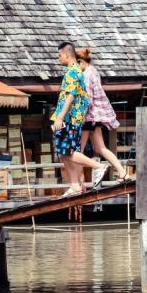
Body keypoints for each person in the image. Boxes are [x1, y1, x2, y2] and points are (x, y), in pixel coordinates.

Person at [51, 41, 108, 196]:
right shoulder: (74, 71)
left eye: (59, 55)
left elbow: (71, 95)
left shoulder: (72, 72)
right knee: (63, 153)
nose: (59, 59)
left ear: (66, 54)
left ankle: (98, 166)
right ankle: (75, 185)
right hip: (70, 118)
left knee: (69, 151)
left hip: (69, 118)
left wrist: (60, 117)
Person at [76, 47, 131, 185]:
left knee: (77, 152)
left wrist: (79, 117)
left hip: (87, 117)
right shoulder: (94, 71)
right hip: (96, 117)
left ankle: (79, 183)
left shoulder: (86, 75)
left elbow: (86, 98)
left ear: (81, 61)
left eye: (77, 64)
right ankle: (123, 172)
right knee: (100, 148)